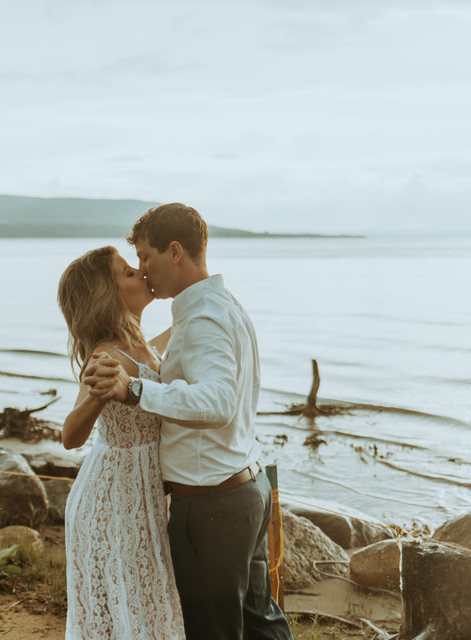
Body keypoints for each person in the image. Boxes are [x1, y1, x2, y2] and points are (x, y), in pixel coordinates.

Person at [83, 203, 294, 640]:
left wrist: (134, 389)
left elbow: (218, 403)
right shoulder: (221, 305)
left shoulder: (202, 318)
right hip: (245, 489)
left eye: (145, 256)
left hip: (212, 507)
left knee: (214, 632)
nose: (143, 270)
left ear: (175, 252)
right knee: (261, 624)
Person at [57, 245, 184, 639]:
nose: (140, 272)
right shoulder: (105, 355)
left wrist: (192, 316)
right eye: (128, 272)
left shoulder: (139, 343)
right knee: (127, 613)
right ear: (108, 295)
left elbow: (153, 355)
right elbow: (69, 436)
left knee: (145, 607)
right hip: (112, 500)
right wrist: (96, 397)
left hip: (140, 494)